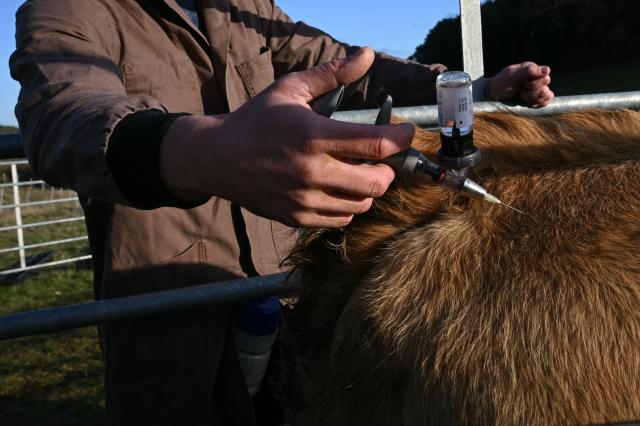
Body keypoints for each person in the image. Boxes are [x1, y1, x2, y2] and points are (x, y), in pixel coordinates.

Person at [9, 0, 553, 425]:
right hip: (169, 304)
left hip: (285, 289)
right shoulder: (68, 11)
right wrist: (204, 153)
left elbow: (351, 66)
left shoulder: (245, 11)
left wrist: (468, 87)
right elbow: (62, 115)